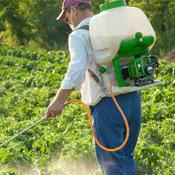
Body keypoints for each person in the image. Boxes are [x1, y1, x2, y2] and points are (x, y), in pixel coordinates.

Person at [45, 0, 142, 174]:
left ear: (73, 10)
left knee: (112, 163)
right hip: (133, 100)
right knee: (126, 157)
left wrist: (59, 101)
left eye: (66, 18)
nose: (68, 23)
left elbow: (76, 70)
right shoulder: (112, 26)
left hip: (108, 105)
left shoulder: (79, 35)